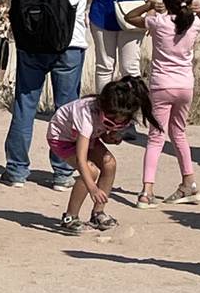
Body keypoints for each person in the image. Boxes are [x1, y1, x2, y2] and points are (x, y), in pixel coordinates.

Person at [2, 0, 127, 189]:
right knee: (67, 108)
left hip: (32, 34)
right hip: (69, 38)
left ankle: (17, 170)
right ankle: (62, 172)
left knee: (24, 103)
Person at [124, 0, 200, 208]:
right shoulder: (194, 23)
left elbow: (130, 18)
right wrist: (198, 10)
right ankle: (188, 183)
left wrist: (149, 5)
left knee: (155, 137)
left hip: (161, 85)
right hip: (185, 86)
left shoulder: (158, 22)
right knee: (179, 134)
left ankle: (147, 191)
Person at [47, 76, 162, 235]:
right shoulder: (86, 113)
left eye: (120, 123)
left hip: (88, 137)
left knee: (110, 163)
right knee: (90, 170)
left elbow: (102, 134)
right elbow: (81, 158)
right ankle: (70, 217)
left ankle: (98, 214)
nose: (115, 124)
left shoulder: (117, 111)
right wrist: (93, 188)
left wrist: (113, 137)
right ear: (102, 107)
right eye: (110, 121)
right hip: (62, 138)